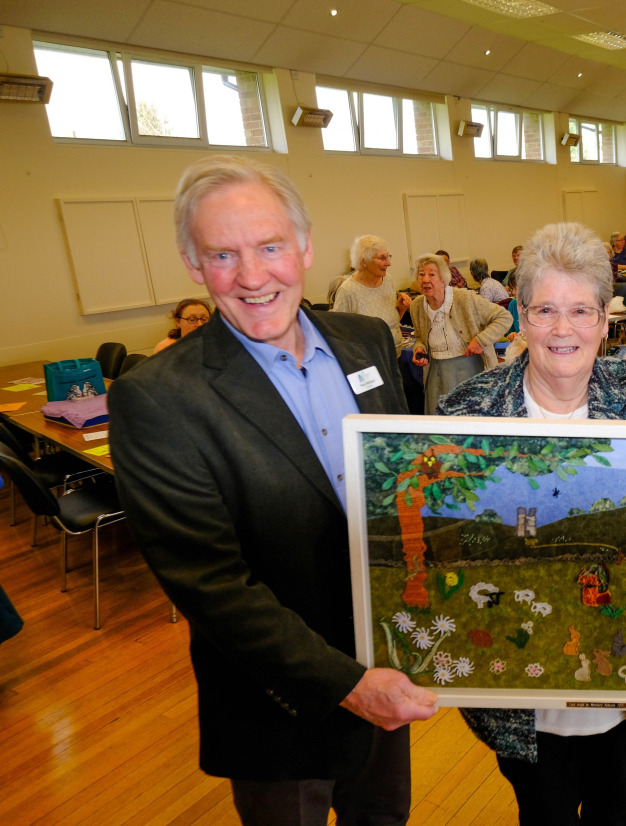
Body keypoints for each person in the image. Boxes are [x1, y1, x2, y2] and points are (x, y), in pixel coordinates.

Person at [109, 155, 439, 825]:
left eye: (269, 247)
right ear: (193, 264)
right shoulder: (157, 398)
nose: (253, 276)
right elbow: (212, 586)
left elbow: (404, 480)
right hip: (277, 705)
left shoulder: (367, 341)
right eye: (222, 255)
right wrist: (347, 684)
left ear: (305, 247)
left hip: (388, 663)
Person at [436, 221, 626, 826]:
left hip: (623, 690)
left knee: (618, 811)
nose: (563, 329)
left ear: (604, 320)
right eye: (545, 310)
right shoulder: (468, 411)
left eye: (580, 311)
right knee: (542, 813)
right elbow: (450, 550)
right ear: (519, 317)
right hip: (523, 693)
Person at [410, 252, 512, 413]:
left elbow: (504, 317)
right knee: (440, 420)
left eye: (432, 274)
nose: (425, 279)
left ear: (443, 279)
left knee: (468, 419)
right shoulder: (416, 306)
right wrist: (419, 348)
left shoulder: (464, 298)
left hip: (468, 369)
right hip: (436, 373)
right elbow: (419, 337)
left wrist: (481, 340)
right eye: (421, 274)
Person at [331, 234, 412, 351]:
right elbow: (339, 334)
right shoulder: (347, 291)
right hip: (368, 357)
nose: (388, 263)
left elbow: (390, 323)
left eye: (388, 257)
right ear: (364, 261)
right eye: (382, 258)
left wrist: (401, 309)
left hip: (394, 353)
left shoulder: (387, 279)